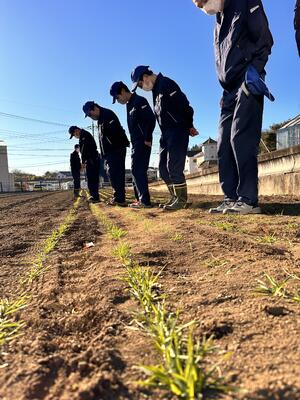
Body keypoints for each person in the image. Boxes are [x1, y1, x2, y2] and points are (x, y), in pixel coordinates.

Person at [193, 0, 274, 215]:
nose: (203, 8)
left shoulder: (244, 2)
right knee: (224, 144)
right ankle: (231, 197)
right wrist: (225, 89)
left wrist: (254, 72)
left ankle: (248, 199)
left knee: (241, 137)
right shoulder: (218, 19)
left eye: (202, 2)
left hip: (247, 78)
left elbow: (265, 38)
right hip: (228, 90)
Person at [131, 66, 198, 210]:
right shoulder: (156, 91)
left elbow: (185, 106)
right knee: (163, 168)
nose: (141, 88)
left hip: (177, 129)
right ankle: (175, 196)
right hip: (165, 133)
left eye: (140, 84)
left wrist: (189, 125)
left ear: (145, 77)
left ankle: (181, 199)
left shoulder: (167, 84)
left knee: (174, 166)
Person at [110, 81, 156, 208]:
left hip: (143, 141)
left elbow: (150, 119)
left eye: (118, 97)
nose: (118, 101)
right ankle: (139, 199)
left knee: (138, 170)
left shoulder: (139, 101)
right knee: (135, 170)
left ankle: (144, 201)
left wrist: (147, 137)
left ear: (123, 91)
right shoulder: (129, 105)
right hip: (135, 142)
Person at [82, 101, 130, 206]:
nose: (90, 117)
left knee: (116, 173)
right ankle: (118, 197)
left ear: (94, 108)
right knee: (112, 174)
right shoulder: (100, 119)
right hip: (109, 152)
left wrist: (110, 149)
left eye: (90, 114)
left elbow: (115, 133)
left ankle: (120, 199)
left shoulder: (107, 114)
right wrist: (104, 154)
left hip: (116, 149)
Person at [68, 126, 100, 203]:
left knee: (92, 178)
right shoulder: (83, 135)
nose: (75, 136)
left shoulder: (84, 135)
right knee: (92, 178)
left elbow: (84, 150)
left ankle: (94, 197)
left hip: (91, 159)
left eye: (74, 134)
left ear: (76, 131)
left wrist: (82, 162)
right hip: (91, 159)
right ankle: (94, 196)